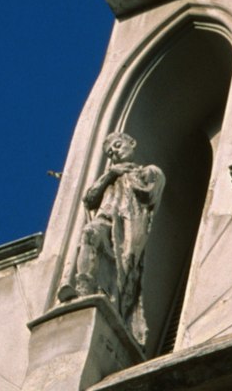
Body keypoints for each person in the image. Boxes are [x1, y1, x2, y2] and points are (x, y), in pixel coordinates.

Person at [60, 132, 165, 347]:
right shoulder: (110, 177)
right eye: (110, 152)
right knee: (89, 232)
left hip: (130, 222)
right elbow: (89, 199)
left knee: (127, 266)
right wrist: (111, 175)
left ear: (132, 143)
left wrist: (133, 175)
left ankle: (122, 314)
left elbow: (150, 193)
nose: (114, 152)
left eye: (117, 146)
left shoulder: (149, 170)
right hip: (107, 218)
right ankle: (83, 288)